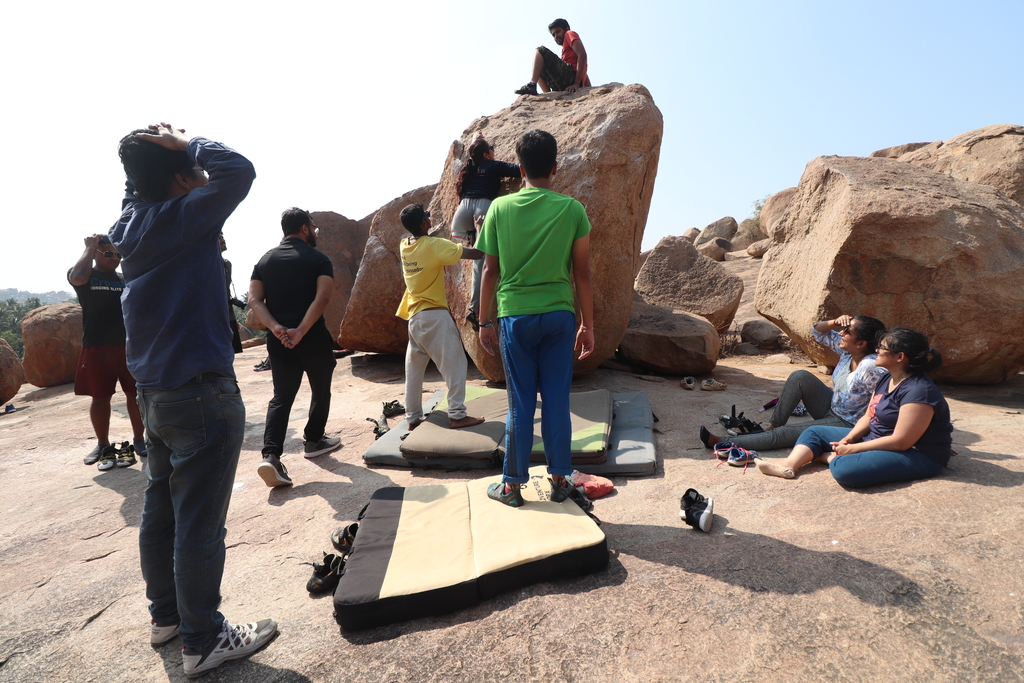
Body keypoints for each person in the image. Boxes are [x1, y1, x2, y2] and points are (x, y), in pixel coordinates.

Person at [110, 123, 276, 677]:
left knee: (161, 513)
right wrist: (190, 141)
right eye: (192, 173)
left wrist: (161, 158)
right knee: (199, 524)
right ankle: (202, 639)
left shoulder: (128, 225)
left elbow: (139, 187)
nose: (203, 178)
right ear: (181, 180)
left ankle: (168, 618)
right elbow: (240, 171)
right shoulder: (182, 216)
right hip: (201, 390)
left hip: (155, 394)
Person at [476, 129, 594, 507]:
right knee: (557, 400)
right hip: (559, 315)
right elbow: (583, 273)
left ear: (520, 168)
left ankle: (512, 487)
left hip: (515, 317)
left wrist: (483, 321)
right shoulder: (572, 209)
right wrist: (587, 325)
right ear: (555, 167)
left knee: (521, 403)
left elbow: (490, 271)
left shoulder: (499, 208)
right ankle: (560, 480)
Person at [755, 327, 953, 487]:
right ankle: (789, 466)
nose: (877, 350)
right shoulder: (887, 378)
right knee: (813, 431)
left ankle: (827, 457)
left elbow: (901, 442)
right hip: (878, 440)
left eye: (882, 348)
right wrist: (849, 438)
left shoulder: (919, 392)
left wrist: (854, 449)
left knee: (845, 471)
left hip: (916, 454)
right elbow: (869, 415)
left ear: (900, 357)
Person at [700, 315, 887, 453]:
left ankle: (721, 442)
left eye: (847, 331)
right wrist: (834, 322)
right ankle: (772, 427)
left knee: (788, 432)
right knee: (800, 376)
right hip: (831, 406)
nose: (841, 333)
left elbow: (889, 396)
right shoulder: (849, 352)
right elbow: (817, 332)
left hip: (847, 423)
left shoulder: (870, 366)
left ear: (861, 343)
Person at [249, 208, 340, 488]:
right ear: (304, 228)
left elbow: (254, 300)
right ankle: (313, 440)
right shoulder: (318, 259)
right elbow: (323, 298)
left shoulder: (264, 260)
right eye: (313, 227)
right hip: (311, 337)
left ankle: (271, 456)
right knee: (320, 387)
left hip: (279, 341)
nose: (315, 231)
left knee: (282, 396)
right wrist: (300, 331)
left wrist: (276, 328)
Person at [397, 203, 485, 431]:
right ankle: (456, 415)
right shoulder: (435, 246)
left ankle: (413, 418)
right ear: (424, 223)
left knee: (414, 371)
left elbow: (422, 239)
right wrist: (479, 229)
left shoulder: (404, 246)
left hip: (415, 319)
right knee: (456, 365)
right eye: (427, 217)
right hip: (435, 318)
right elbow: (477, 253)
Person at [68, 234, 146, 469]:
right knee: (100, 398)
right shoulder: (85, 274)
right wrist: (90, 248)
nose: (115, 258)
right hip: (97, 345)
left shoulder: (125, 278)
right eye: (108, 253)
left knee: (136, 395)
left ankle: (139, 440)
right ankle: (103, 444)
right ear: (96, 254)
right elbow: (78, 278)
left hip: (129, 345)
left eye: (118, 254)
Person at [450, 137, 521, 329]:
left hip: (463, 212)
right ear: (485, 154)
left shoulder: (468, 167)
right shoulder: (492, 165)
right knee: (483, 262)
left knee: (477, 259)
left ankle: (476, 308)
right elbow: (519, 171)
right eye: (492, 148)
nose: (494, 151)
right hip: (483, 208)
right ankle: (476, 310)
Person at [515, 18, 591, 96]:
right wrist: (588, 88)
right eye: (553, 35)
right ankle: (549, 94)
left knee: (540, 50)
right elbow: (583, 71)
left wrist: (577, 83)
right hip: (565, 83)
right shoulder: (566, 51)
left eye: (558, 31)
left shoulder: (569, 33)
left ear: (566, 29)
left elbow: (582, 55)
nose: (556, 36)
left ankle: (532, 85)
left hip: (571, 78)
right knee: (539, 67)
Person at [219, 232, 244, 354]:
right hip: (215, 318)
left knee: (231, 352)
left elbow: (225, 292)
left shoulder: (227, 264)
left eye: (222, 237)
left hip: (227, 315)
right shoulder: (205, 265)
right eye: (219, 238)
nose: (223, 240)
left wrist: (232, 318)